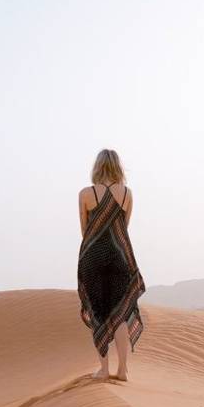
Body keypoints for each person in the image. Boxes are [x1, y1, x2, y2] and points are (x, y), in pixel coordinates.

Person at [77, 149, 145, 381]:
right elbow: (124, 227)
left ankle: (104, 369)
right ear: (118, 167)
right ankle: (123, 370)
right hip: (120, 256)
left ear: (97, 167)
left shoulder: (85, 193)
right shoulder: (127, 194)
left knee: (99, 312)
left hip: (93, 257)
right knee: (120, 313)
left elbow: (85, 231)